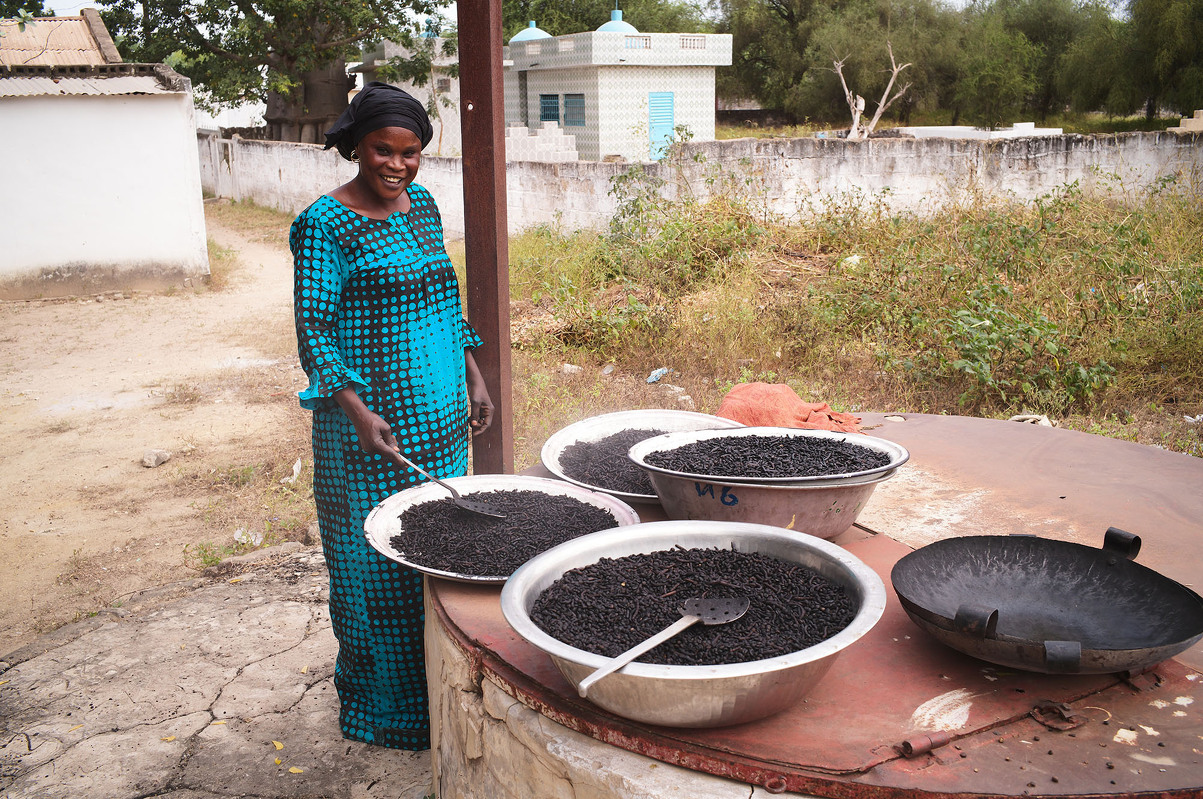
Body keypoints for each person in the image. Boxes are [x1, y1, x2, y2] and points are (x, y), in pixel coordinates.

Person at [290, 81, 494, 750]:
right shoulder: (324, 224)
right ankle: (386, 710)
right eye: (383, 150)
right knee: (372, 571)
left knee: (437, 562)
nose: (397, 166)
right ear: (355, 145)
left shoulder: (423, 206)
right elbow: (314, 330)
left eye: (411, 153)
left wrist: (473, 375)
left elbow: (444, 296)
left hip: (438, 425)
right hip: (366, 437)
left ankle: (442, 696)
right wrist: (355, 410)